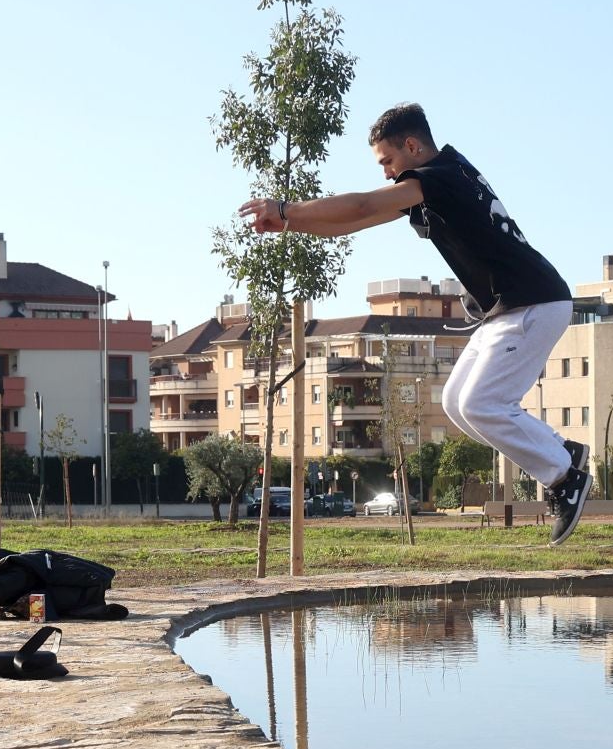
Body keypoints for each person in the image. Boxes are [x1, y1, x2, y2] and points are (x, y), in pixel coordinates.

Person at [238, 103, 591, 545]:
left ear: (412, 145)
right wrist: (291, 223)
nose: (387, 173)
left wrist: (286, 206)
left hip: (534, 302)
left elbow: (364, 202)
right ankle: (564, 452)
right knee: (459, 403)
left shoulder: (439, 176)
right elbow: (358, 220)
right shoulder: (436, 180)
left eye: (388, 161)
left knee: (482, 403)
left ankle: (564, 478)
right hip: (512, 307)